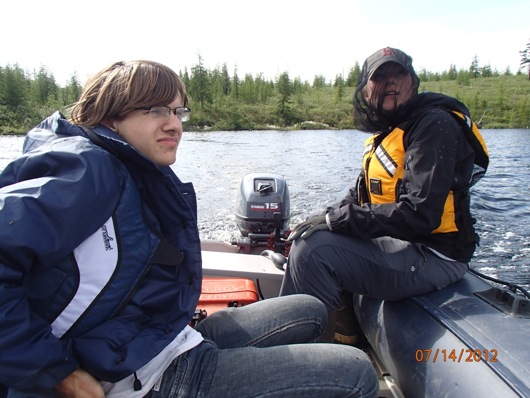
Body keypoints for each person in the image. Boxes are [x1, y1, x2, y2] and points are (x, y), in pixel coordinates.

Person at [0, 60, 378, 397]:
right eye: (156, 110)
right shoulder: (87, 172)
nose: (174, 124)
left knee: (310, 310)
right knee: (357, 372)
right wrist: (57, 372)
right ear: (110, 116)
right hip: (135, 376)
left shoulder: (132, 167)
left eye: (179, 111)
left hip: (149, 341)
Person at [280, 47, 488, 343]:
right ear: (366, 92)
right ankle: (345, 333)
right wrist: (325, 216)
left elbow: (420, 213)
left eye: (398, 74)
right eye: (380, 77)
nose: (391, 82)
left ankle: (309, 365)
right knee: (308, 236)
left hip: (435, 254)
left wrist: (337, 220)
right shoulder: (390, 134)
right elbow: (360, 195)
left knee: (314, 251)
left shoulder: (433, 125)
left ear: (412, 83)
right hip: (403, 245)